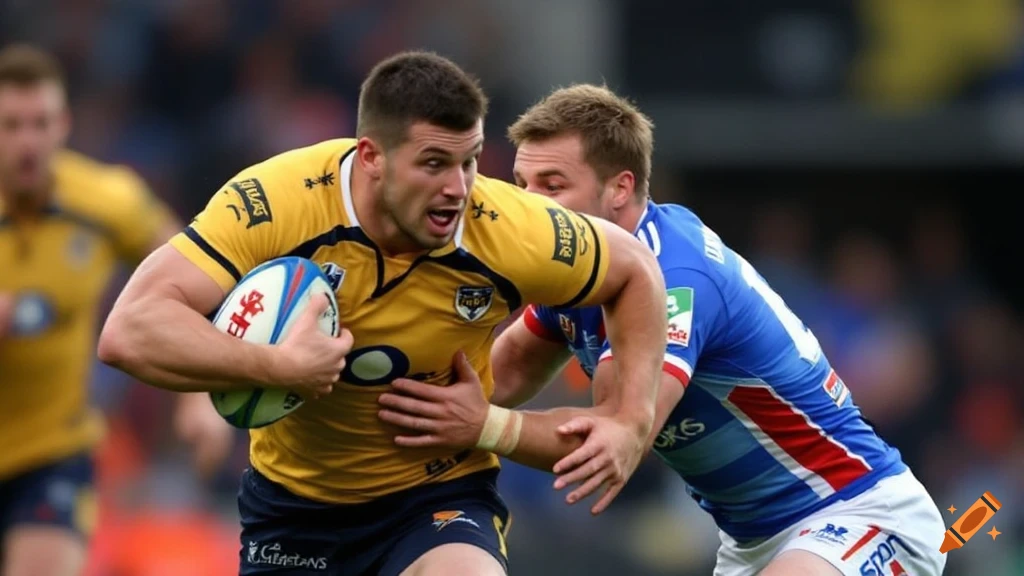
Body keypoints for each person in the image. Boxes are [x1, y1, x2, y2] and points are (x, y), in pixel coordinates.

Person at [96, 52, 668, 576]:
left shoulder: (507, 226)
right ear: (371, 156)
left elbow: (635, 271)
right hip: (293, 509)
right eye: (434, 164)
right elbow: (131, 330)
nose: (458, 189)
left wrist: (631, 418)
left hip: (436, 497)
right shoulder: (279, 202)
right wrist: (277, 366)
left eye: (469, 162)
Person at [376, 84, 949, 576]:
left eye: (553, 186)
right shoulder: (578, 269)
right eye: (522, 185)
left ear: (620, 189)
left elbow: (614, 440)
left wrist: (482, 426)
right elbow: (506, 370)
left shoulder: (673, 278)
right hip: (753, 543)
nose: (531, 207)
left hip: (854, 511)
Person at [0, 44, 234, 576]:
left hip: (50, 451)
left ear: (64, 124)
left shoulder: (107, 201)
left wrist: (200, 396)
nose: (27, 141)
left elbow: (195, 277)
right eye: (11, 125)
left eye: (40, 123)